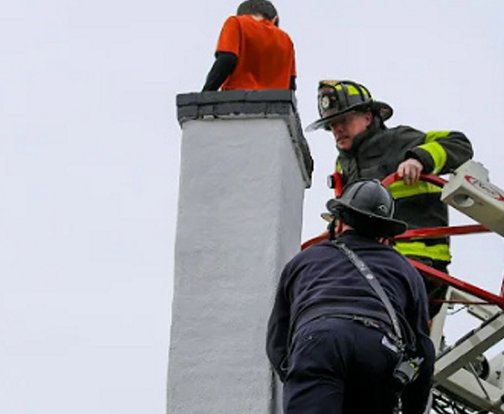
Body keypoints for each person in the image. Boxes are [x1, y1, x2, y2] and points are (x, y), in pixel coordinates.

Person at [305, 80, 474, 318]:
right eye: (332, 125)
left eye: (344, 120)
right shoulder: (343, 165)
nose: (337, 129)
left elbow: (458, 143)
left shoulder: (398, 140)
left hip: (418, 261)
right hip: (370, 261)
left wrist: (418, 159)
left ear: (367, 116)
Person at [266, 180, 435, 414]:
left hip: (318, 340)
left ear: (340, 220)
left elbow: (277, 339)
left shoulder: (304, 260)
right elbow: (422, 352)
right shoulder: (405, 270)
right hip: (378, 348)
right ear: (384, 232)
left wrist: (301, 373)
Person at [202, 0, 296, 91]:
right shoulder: (287, 40)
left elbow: (227, 59)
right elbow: (291, 84)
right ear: (274, 19)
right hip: (276, 104)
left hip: (238, 100)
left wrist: (205, 95)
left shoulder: (236, 22)